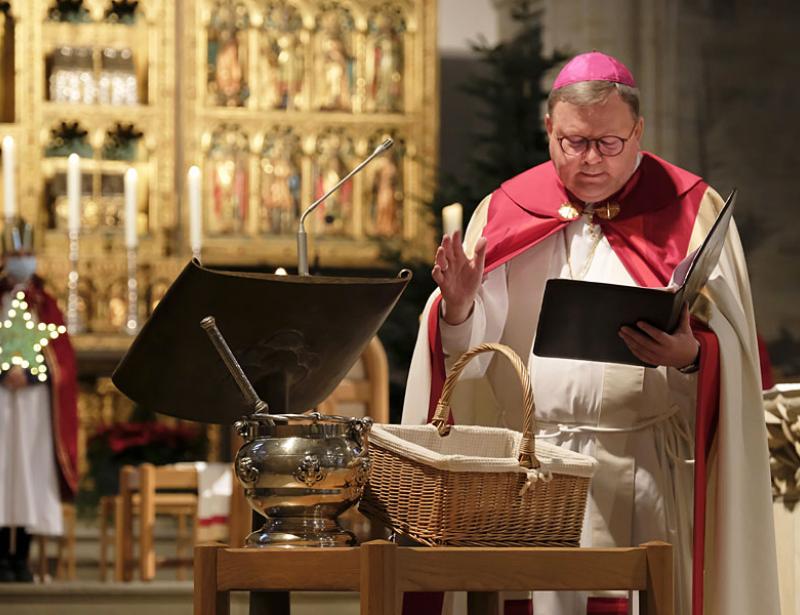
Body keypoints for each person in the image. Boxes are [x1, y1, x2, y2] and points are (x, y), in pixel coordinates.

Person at [402, 51, 779, 615]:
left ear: (638, 132)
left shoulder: (690, 210)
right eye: (574, 143)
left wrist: (691, 356)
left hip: (640, 467)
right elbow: (472, 362)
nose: (592, 160)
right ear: (549, 129)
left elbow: (732, 353)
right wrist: (456, 308)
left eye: (610, 143)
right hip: (532, 473)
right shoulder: (506, 210)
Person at [0, 219, 78, 582]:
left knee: (27, 474)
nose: (22, 260)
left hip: (33, 405)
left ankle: (22, 557)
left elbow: (61, 355)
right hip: (2, 400)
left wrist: (30, 374)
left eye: (27, 253)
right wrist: (5, 372)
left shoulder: (44, 303)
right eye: (15, 253)